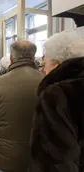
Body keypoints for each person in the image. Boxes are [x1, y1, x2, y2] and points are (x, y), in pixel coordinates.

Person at [0, 41, 42, 172]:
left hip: (4, 160)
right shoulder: (48, 81)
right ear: (33, 57)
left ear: (11, 58)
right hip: (38, 158)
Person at [29, 30, 84, 172]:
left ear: (57, 64)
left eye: (45, 63)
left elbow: (55, 159)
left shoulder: (56, 94)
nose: (43, 69)